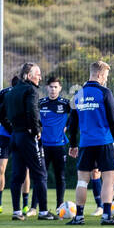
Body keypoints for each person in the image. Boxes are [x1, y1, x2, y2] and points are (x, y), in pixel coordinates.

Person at [68, 61, 114, 225]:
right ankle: (106, 216)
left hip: (85, 143)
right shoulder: (105, 92)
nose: (105, 79)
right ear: (98, 74)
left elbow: (72, 123)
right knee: (108, 179)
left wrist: (73, 144)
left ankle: (79, 217)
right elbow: (113, 119)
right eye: (105, 76)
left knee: (82, 181)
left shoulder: (78, 95)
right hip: (104, 141)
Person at [1, 62, 53, 220]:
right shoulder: (31, 90)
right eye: (38, 74)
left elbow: (2, 114)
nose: (40, 78)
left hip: (15, 137)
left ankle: (16, 212)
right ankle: (43, 211)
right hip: (28, 137)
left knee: (17, 175)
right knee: (40, 173)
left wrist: (13, 129)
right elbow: (32, 110)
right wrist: (36, 130)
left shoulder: (11, 92)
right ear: (30, 76)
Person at [0, 75, 29, 215]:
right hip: (6, 135)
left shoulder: (27, 92)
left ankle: (25, 204)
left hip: (22, 135)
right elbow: (0, 114)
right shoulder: (4, 93)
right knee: (1, 168)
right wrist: (11, 129)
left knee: (25, 170)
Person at [38, 77, 76, 213]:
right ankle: (33, 207)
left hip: (59, 146)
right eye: (51, 87)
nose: (53, 89)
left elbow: (74, 118)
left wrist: (67, 126)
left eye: (55, 87)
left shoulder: (66, 104)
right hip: (43, 146)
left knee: (60, 177)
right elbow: (36, 121)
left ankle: (60, 206)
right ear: (47, 88)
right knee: (40, 176)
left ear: (60, 88)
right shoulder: (41, 103)